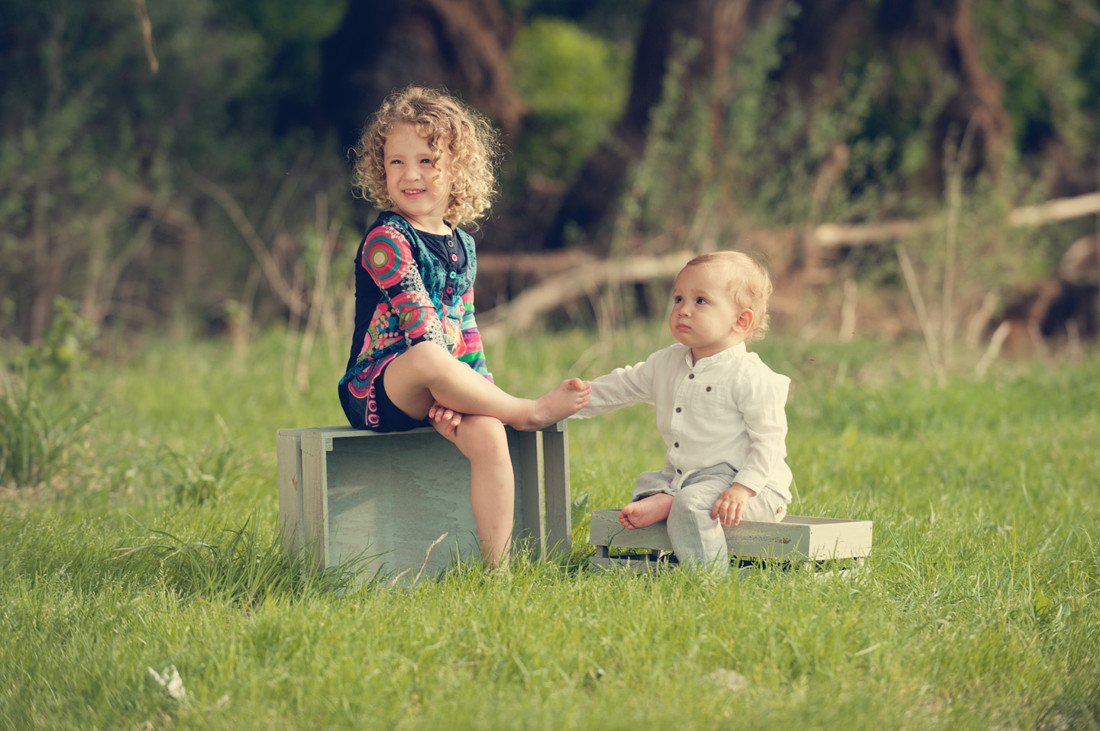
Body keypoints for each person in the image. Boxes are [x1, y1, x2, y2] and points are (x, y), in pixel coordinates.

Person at [338, 86, 590, 568]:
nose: (410, 174)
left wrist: (476, 399)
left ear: (457, 167)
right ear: (379, 167)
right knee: (432, 356)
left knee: (490, 436)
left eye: (427, 160)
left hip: (441, 387)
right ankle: (527, 411)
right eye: (396, 162)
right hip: (379, 389)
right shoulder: (386, 240)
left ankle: (496, 571)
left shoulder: (463, 246)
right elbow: (422, 329)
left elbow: (467, 333)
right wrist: (457, 393)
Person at [573, 252, 793, 573]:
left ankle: (706, 581)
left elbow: (769, 443)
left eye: (701, 301)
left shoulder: (750, 375)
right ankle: (669, 499)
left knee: (693, 505)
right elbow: (622, 385)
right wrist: (573, 401)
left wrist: (742, 489)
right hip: (689, 479)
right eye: (678, 298)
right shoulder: (667, 363)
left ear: (740, 321)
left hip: (750, 489)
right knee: (645, 492)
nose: (683, 310)